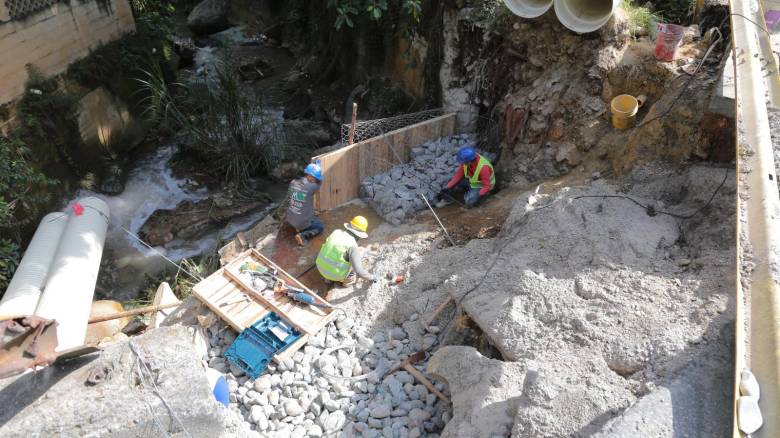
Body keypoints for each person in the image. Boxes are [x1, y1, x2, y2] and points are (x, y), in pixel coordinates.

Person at [316, 216, 376, 287]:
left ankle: (327, 279)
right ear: (359, 235)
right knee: (353, 265)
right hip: (336, 276)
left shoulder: (336, 232)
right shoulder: (352, 246)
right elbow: (359, 271)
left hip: (320, 268)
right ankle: (346, 283)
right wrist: (372, 277)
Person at [286, 161, 324, 246]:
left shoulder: (292, 182)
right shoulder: (312, 186)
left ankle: (298, 228)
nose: (316, 180)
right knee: (320, 226)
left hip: (290, 218)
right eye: (315, 178)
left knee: (303, 207)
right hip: (300, 222)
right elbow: (321, 182)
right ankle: (302, 235)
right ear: (310, 176)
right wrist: (319, 167)